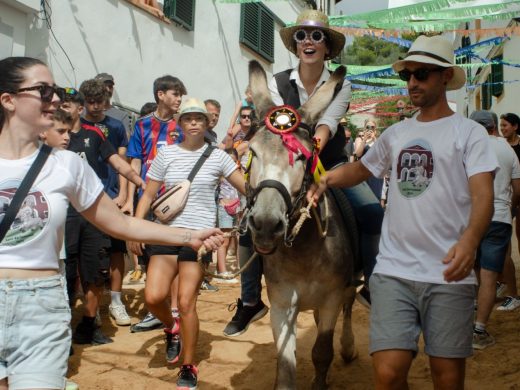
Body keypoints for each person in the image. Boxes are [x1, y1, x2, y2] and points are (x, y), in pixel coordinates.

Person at [0, 56, 223, 390]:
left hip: (40, 306)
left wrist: (189, 235)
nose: (57, 100)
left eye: (57, 91)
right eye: (44, 91)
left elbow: (121, 224)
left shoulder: (66, 166)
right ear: (8, 100)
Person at [308, 35, 497, 389]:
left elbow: (483, 195)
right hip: (394, 271)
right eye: (407, 75)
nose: (412, 82)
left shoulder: (468, 133)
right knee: (388, 374)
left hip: (448, 274)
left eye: (422, 74)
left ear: (444, 77)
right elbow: (361, 171)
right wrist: (326, 178)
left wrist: (471, 241)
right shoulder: (396, 134)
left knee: (447, 378)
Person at [269, 9, 384, 308]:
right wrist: (296, 158)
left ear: (327, 46)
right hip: (287, 163)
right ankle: (250, 300)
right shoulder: (276, 81)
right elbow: (280, 125)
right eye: (301, 35)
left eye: (316, 36)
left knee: (373, 213)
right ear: (295, 44)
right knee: (252, 217)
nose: (309, 41)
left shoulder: (341, 83)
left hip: (329, 163)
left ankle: (370, 283)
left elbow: (327, 124)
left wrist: (312, 152)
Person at [129, 98, 245, 389]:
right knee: (154, 298)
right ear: (179, 123)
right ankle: (172, 328)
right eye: (188, 118)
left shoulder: (219, 157)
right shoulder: (166, 154)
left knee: (185, 301)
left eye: (199, 119)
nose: (194, 123)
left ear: (207, 124)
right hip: (167, 234)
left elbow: (248, 188)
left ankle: (189, 365)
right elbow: (147, 195)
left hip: (200, 239)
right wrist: (135, 229)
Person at [60, 87, 145, 344]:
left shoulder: (94, 133)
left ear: (78, 108)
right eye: (62, 104)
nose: (66, 108)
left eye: (70, 104)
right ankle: (62, 330)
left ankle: (90, 323)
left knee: (95, 271)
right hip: (62, 214)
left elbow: (116, 162)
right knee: (66, 271)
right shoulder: (50, 136)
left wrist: (138, 182)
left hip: (92, 211)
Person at [124, 75, 189, 332]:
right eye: (175, 94)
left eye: (181, 95)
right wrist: (131, 198)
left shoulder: (182, 127)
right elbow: (135, 163)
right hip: (148, 200)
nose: (178, 99)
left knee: (172, 256)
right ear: (160, 94)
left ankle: (173, 310)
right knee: (152, 257)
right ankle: (158, 309)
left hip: (175, 203)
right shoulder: (141, 126)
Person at [80, 78, 133, 326]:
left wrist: (123, 194)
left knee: (116, 251)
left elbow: (124, 164)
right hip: (81, 201)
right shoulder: (74, 125)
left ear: (107, 100)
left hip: (110, 197)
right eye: (90, 102)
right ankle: (92, 306)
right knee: (85, 254)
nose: (95, 106)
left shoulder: (116, 126)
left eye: (100, 101)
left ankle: (116, 300)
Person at [469, 110, 520, 350]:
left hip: (470, 217)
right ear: (493, 127)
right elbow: (517, 188)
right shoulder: (508, 150)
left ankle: (461, 324)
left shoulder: (468, 148)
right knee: (490, 275)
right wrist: (509, 208)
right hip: (499, 216)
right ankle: (479, 329)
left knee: (470, 270)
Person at [496, 113, 520, 310]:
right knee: (504, 247)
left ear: (515, 127)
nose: (502, 128)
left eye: (505, 125)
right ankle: (504, 283)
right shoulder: (501, 146)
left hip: (517, 201)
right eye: (500, 125)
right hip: (505, 201)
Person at [94, 72, 132, 136]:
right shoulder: (85, 112)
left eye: (110, 86)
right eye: (104, 86)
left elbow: (126, 141)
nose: (108, 89)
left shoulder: (122, 116)